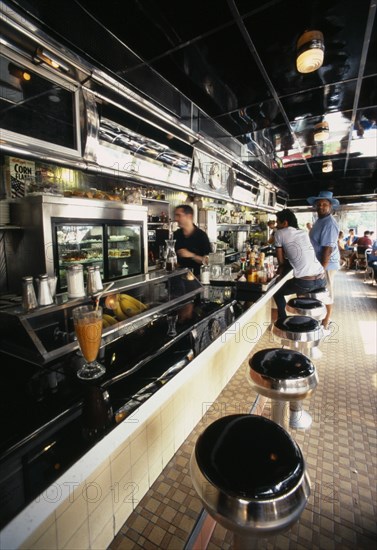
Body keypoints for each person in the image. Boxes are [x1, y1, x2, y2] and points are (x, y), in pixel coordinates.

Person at [273, 209, 326, 320]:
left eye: (278, 222)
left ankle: (282, 319)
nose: (276, 224)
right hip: (322, 279)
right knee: (299, 289)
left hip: (305, 283)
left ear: (285, 223)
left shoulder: (279, 233)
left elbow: (281, 262)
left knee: (276, 291)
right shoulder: (303, 232)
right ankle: (306, 318)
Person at [307, 190, 340, 330]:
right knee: (320, 291)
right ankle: (319, 317)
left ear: (330, 206)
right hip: (320, 263)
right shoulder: (320, 220)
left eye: (324, 204)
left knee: (326, 292)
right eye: (318, 204)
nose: (320, 206)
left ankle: (326, 320)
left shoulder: (329, 223)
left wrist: (321, 268)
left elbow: (328, 249)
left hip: (327, 263)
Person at [173, 204, 212, 277]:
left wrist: (192, 255)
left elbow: (209, 261)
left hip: (197, 279)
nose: (176, 219)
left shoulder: (201, 236)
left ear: (189, 216)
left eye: (179, 215)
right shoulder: (176, 235)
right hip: (178, 277)